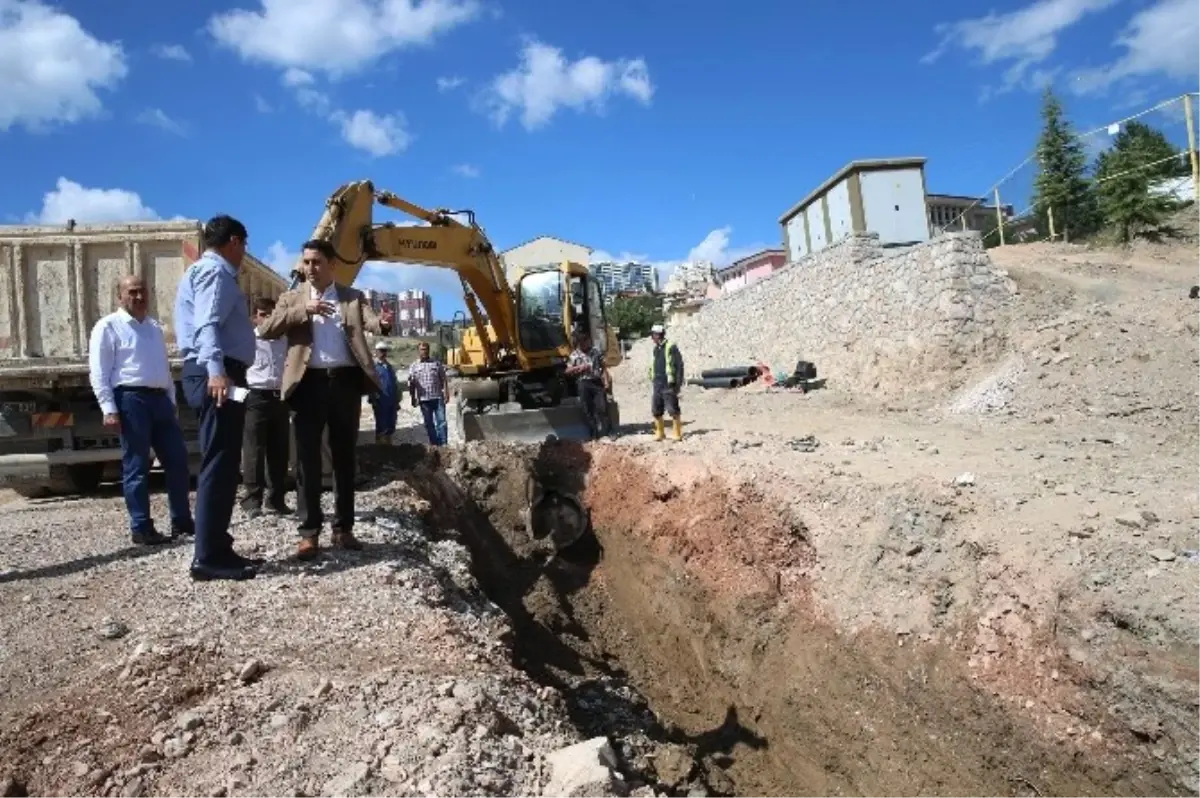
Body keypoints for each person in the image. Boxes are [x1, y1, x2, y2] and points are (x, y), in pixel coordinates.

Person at [257, 239, 393, 560]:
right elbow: (265, 330)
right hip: (308, 385)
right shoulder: (292, 298)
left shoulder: (352, 297)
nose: (310, 268)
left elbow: (372, 321)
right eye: (306, 262)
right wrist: (302, 310)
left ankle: (343, 529)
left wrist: (383, 324)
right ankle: (309, 533)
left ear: (332, 265)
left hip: (344, 383)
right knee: (306, 460)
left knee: (344, 459)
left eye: (316, 262)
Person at [175, 214, 260, 581]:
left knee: (225, 460)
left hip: (221, 371)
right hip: (218, 372)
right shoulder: (216, 273)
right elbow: (207, 324)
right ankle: (207, 556)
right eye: (244, 247)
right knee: (220, 462)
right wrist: (216, 372)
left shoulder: (203, 271)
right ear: (236, 242)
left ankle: (218, 545)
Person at [88, 275, 194, 546]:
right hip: (131, 400)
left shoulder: (154, 328)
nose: (139, 297)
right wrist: (108, 408)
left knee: (178, 461)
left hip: (159, 400)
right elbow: (99, 371)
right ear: (120, 297)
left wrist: (171, 400)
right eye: (132, 292)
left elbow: (164, 368)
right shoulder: (108, 327)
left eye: (142, 291)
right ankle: (141, 527)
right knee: (136, 466)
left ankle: (182, 522)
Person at [240, 296, 291, 519]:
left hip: (279, 397)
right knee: (254, 450)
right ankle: (252, 500)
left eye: (271, 314)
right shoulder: (248, 340)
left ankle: (276, 499)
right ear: (254, 318)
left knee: (279, 450)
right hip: (256, 396)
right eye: (262, 314)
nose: (267, 318)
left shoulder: (283, 339)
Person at [564, 330, 609, 440]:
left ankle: (608, 430)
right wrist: (578, 368)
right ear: (578, 343)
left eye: (586, 341)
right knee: (587, 410)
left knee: (602, 407)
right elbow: (567, 371)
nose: (584, 344)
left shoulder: (596, 352)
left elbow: (603, 367)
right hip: (583, 383)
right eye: (581, 342)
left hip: (596, 382)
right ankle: (594, 433)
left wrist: (606, 380)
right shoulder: (574, 355)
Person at [408, 341, 450, 446]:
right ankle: (434, 445)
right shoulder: (414, 366)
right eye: (422, 349)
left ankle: (444, 444)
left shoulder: (436, 363)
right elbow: (411, 384)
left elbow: (443, 379)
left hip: (437, 398)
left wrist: (447, 393)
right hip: (424, 400)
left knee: (442, 422)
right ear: (418, 351)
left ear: (429, 350)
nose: (424, 352)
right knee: (429, 424)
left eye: (426, 349)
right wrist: (413, 398)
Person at [647, 323, 684, 442]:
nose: (652, 337)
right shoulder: (655, 349)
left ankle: (677, 433)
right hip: (657, 382)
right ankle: (660, 433)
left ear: (659, 335)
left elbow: (679, 365)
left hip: (668, 383)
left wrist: (677, 384)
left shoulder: (671, 347)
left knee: (673, 408)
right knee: (656, 409)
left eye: (653, 335)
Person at [368, 341, 400, 444]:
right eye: (381, 351)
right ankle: (380, 448)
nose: (383, 353)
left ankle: (388, 446)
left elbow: (394, 383)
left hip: (391, 400)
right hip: (380, 401)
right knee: (382, 425)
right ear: (376, 352)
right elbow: (370, 384)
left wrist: (397, 400)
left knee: (391, 424)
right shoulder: (373, 367)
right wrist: (373, 398)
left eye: (385, 351)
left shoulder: (389, 367)